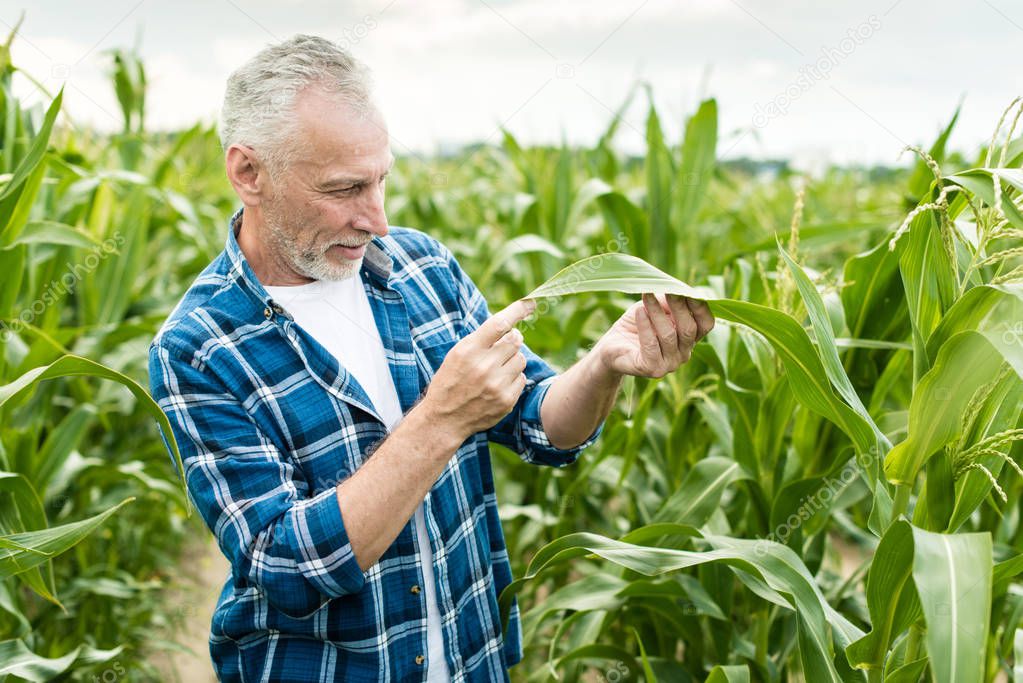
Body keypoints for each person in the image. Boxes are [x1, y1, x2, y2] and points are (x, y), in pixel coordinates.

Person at [148, 34, 713, 683]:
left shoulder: (420, 267)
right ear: (248, 172)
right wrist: (441, 419)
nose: (377, 218)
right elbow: (287, 568)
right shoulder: (198, 346)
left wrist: (604, 364)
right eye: (345, 188)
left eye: (382, 179)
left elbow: (539, 423)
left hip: (471, 658)